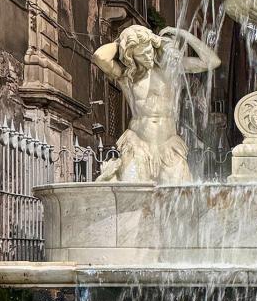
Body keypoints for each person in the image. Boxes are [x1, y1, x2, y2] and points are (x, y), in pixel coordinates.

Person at [92, 24, 220, 182]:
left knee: (178, 195)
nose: (146, 54)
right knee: (130, 197)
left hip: (168, 145)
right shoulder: (127, 76)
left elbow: (212, 61)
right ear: (130, 55)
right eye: (140, 51)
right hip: (138, 146)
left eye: (148, 48)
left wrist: (183, 34)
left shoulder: (171, 70)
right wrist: (123, 40)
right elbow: (100, 57)